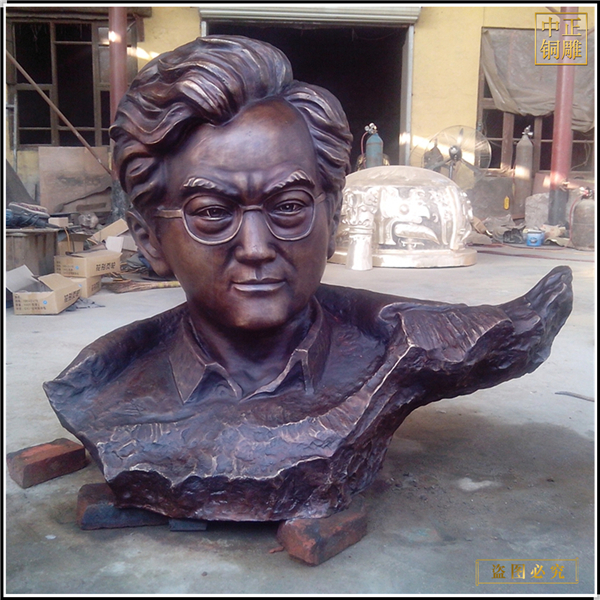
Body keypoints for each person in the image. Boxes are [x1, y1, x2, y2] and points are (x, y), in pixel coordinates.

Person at [44, 36, 573, 522]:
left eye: (289, 206)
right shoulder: (98, 385)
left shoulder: (408, 346)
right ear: (150, 240)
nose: (256, 248)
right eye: (212, 213)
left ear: (333, 218)